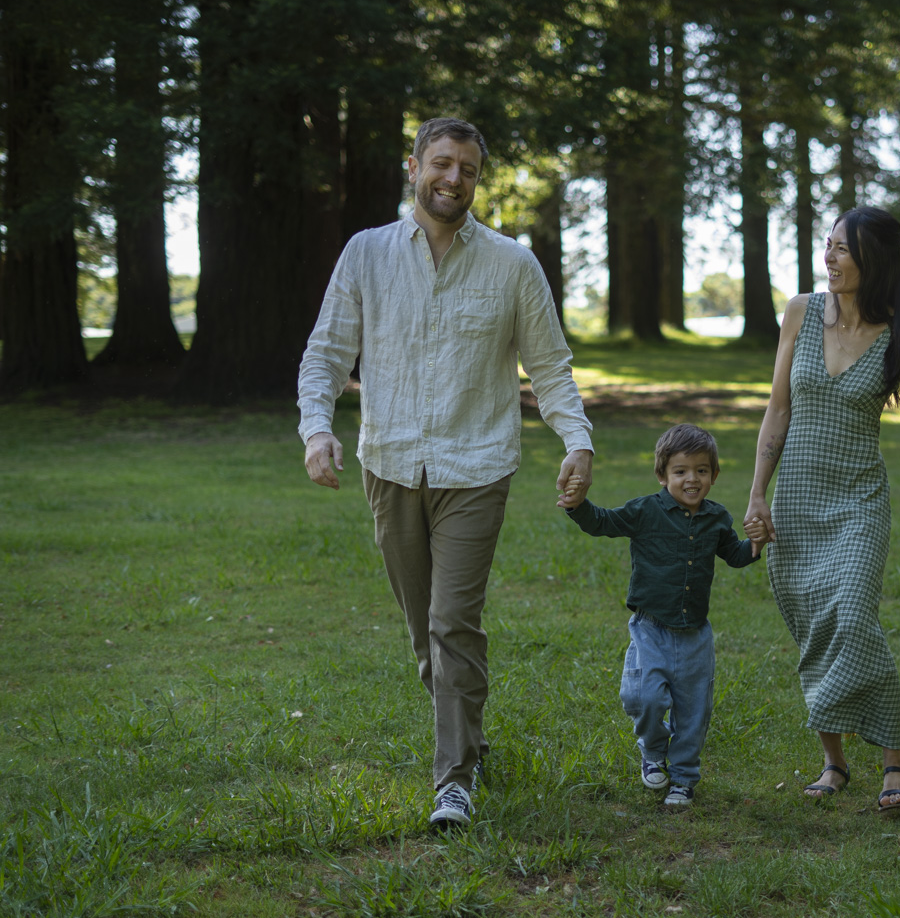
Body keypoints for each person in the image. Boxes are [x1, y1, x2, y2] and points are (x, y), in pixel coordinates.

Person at [297, 117, 594, 829]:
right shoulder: (366, 255)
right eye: (440, 163)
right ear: (414, 167)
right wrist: (317, 431)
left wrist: (576, 440)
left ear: (478, 178)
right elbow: (327, 353)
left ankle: (452, 781)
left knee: (453, 623)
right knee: (423, 631)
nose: (452, 178)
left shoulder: (512, 264)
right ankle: (470, 740)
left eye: (466, 168)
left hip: (476, 466)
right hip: (390, 464)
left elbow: (550, 367)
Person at [742, 205, 900, 812]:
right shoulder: (800, 312)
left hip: (858, 501)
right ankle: (833, 761)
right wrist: (755, 493)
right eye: (827, 247)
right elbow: (778, 409)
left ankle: (895, 761)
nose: (829, 258)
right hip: (796, 497)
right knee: (810, 623)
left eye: (843, 250)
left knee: (852, 615)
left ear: (873, 261)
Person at [560, 424, 762, 806]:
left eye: (702, 471)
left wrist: (756, 541)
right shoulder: (645, 511)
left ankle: (683, 778)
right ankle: (653, 751)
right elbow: (602, 522)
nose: (692, 479)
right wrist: (577, 505)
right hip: (650, 627)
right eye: (681, 471)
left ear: (714, 476)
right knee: (642, 697)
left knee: (693, 710)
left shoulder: (716, 518)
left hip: (695, 634)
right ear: (662, 475)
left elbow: (734, 555)